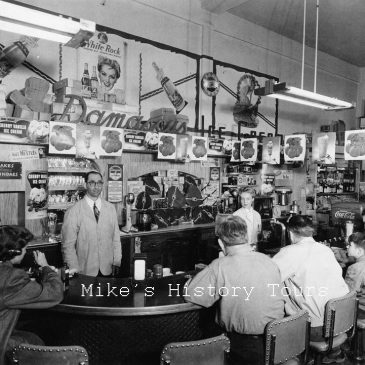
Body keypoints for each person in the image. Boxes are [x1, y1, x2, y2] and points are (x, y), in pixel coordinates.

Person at [185, 215, 285, 364]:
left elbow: (192, 295)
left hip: (244, 348)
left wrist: (190, 282)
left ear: (220, 242)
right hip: (278, 341)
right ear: (246, 237)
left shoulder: (220, 265)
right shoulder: (268, 260)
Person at [272, 215, 349, 363]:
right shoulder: (325, 249)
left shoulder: (289, 252)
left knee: (275, 292)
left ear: (290, 233)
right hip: (341, 320)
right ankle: (334, 351)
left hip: (317, 329)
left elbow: (267, 277)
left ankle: (298, 356)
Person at [0, 225, 63, 360]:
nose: (25, 252)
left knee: (32, 337)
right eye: (24, 249)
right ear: (15, 251)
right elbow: (54, 293)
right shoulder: (11, 278)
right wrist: (45, 266)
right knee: (37, 341)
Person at [62, 170, 121, 277]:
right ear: (85, 185)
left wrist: (117, 261)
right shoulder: (73, 211)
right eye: (92, 182)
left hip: (107, 269)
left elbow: (116, 239)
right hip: (84, 271)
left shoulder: (110, 208)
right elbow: (68, 246)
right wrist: (74, 270)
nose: (96, 186)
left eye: (99, 183)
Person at [344, 232, 365, 319]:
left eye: (350, 245)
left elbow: (348, 294)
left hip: (360, 311)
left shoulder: (355, 268)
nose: (347, 247)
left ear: (359, 251)